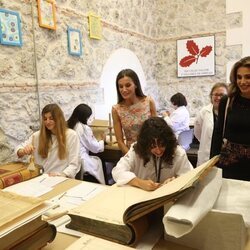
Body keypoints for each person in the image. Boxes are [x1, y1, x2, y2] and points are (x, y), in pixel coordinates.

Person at [112, 117, 193, 191]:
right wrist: (139, 182)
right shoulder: (136, 150)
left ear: (168, 141)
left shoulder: (178, 153)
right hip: (141, 197)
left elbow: (189, 177)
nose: (158, 151)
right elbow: (117, 171)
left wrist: (175, 182)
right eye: (153, 146)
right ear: (145, 144)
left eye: (162, 145)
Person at [210, 56, 250, 181]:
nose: (242, 82)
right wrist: (212, 163)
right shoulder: (227, 101)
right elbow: (217, 133)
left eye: (248, 77)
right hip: (230, 165)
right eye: (239, 77)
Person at [16, 103, 80, 178]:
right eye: (45, 119)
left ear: (59, 119)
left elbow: (74, 165)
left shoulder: (71, 135)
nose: (47, 122)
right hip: (38, 178)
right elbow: (18, 149)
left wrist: (63, 174)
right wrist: (23, 151)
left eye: (51, 118)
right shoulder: (37, 135)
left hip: (59, 179)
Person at [112, 69, 157, 155]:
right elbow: (120, 141)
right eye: (121, 86)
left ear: (135, 85)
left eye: (128, 85)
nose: (124, 90)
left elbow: (157, 131)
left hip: (151, 152)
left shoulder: (148, 102)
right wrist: (132, 158)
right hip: (130, 154)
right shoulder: (116, 109)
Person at [68, 104, 105, 184]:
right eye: (88, 117)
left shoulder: (68, 124)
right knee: (98, 162)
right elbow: (94, 147)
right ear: (84, 116)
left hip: (69, 159)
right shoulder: (83, 128)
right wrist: (102, 141)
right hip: (81, 160)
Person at [194, 83, 228, 166]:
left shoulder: (232, 112)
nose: (219, 98)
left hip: (227, 156)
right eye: (216, 95)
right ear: (211, 96)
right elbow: (198, 134)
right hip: (207, 156)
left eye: (222, 95)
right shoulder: (204, 112)